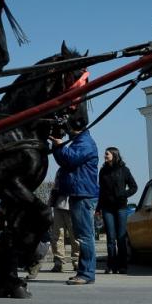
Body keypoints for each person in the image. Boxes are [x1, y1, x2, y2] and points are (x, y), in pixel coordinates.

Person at [50, 117, 99, 285]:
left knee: (85, 236)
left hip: (83, 194)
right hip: (79, 193)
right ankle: (84, 272)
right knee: (82, 235)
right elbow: (65, 160)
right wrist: (58, 146)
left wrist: (59, 145)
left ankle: (87, 273)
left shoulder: (85, 143)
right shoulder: (80, 141)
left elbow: (70, 160)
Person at [97, 147, 138, 274]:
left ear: (114, 155)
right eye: (105, 153)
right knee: (110, 238)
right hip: (107, 208)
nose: (105, 155)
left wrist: (123, 194)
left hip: (121, 208)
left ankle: (122, 266)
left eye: (107, 153)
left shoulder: (124, 170)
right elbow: (101, 191)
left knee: (121, 238)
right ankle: (111, 266)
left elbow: (134, 187)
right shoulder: (103, 171)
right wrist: (98, 208)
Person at [48, 174, 80, 273]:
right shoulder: (61, 171)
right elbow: (54, 186)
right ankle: (58, 261)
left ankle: (76, 261)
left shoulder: (78, 169)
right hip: (59, 204)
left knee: (75, 236)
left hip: (73, 205)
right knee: (57, 235)